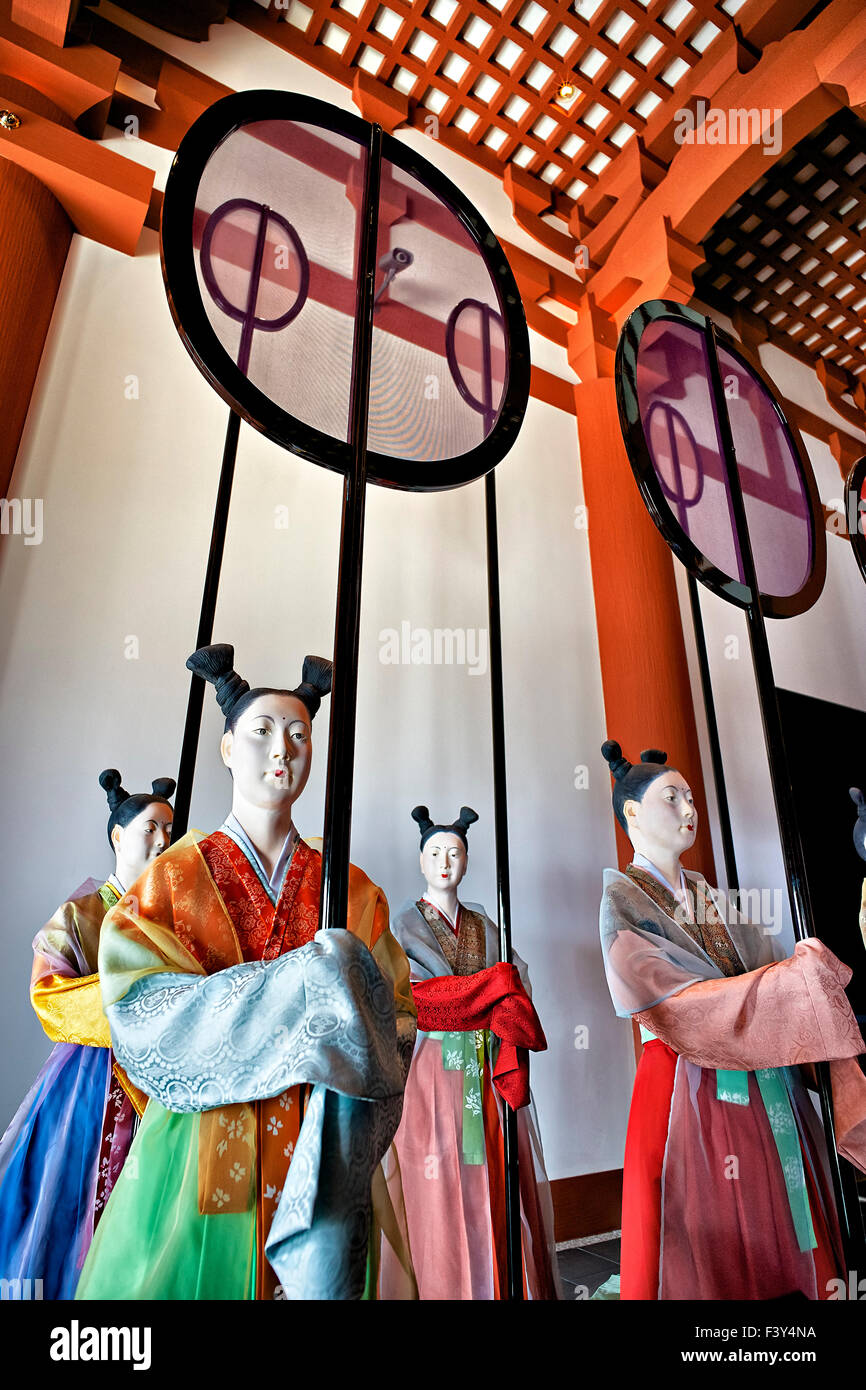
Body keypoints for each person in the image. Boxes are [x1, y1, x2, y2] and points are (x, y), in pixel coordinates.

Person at [76, 643, 416, 1301]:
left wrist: (345, 991)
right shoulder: (171, 878)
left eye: (298, 734)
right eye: (260, 733)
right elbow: (139, 1005)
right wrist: (296, 991)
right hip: (206, 1132)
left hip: (320, 1130)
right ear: (228, 748)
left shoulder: (349, 887)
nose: (281, 751)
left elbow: (395, 1015)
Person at [599, 739, 866, 1300]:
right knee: (700, 1225)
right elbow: (657, 992)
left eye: (691, 797)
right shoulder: (622, 898)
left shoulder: (703, 892)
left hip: (754, 1070)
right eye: (672, 797)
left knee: (774, 1204)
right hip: (681, 1075)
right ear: (631, 813)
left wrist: (799, 969)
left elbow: (762, 953)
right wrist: (770, 990)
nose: (688, 809)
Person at [0, 769, 175, 1299]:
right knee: (69, 1198)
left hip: (160, 1077)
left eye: (169, 829)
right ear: (118, 836)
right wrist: (135, 1001)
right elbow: (48, 994)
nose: (163, 841)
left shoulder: (175, 917)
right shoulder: (80, 913)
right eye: (150, 828)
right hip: (87, 1081)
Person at [380, 804, 559, 1299]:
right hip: (433, 1063)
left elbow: (515, 980)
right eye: (435, 852)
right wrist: (486, 991)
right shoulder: (403, 926)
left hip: (485, 1059)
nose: (445, 862)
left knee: (494, 1167)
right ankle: (444, 1281)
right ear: (421, 861)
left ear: (467, 862)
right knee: (436, 1170)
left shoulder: (484, 924)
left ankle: (503, 1280)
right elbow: (407, 995)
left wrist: (490, 993)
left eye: (455, 853)